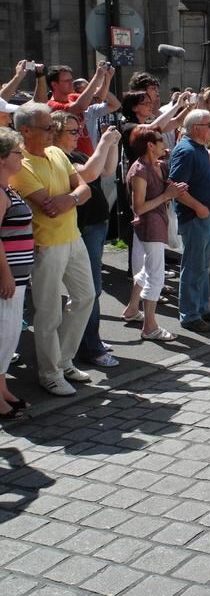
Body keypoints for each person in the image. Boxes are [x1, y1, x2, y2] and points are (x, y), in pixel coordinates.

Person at [11, 103, 95, 396]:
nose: (54, 132)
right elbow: (49, 208)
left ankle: (63, 361)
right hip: (46, 245)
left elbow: (85, 189)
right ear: (25, 130)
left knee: (85, 297)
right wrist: (74, 196)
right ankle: (49, 373)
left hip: (73, 238)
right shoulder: (18, 164)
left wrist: (70, 198)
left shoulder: (57, 152)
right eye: (48, 127)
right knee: (48, 313)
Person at [51, 113, 121, 367]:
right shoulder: (57, 157)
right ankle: (90, 346)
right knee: (88, 289)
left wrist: (112, 145)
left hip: (96, 226)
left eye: (78, 130)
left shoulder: (77, 154)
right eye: (71, 131)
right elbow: (90, 174)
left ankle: (91, 339)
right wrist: (103, 141)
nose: (78, 135)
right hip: (83, 228)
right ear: (55, 132)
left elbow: (107, 170)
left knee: (92, 288)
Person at [121, 126, 186, 341]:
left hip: (157, 223)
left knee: (150, 270)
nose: (164, 142)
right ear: (150, 144)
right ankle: (150, 327)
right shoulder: (140, 170)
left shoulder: (158, 166)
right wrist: (167, 195)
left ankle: (132, 309)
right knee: (156, 275)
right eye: (160, 139)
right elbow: (138, 207)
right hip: (149, 226)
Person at [169, 109, 210, 332]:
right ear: (195, 128)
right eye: (208, 125)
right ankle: (190, 314)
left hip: (205, 216)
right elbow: (176, 188)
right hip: (195, 217)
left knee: (202, 266)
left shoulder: (199, 149)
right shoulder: (186, 150)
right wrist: (199, 207)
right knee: (193, 267)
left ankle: (202, 308)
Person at [0, 127, 33, 419]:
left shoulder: (9, 188)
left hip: (19, 275)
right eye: (16, 153)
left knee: (10, 335)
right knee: (2, 333)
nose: (21, 157)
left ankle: (3, 390)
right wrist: (6, 274)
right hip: (7, 277)